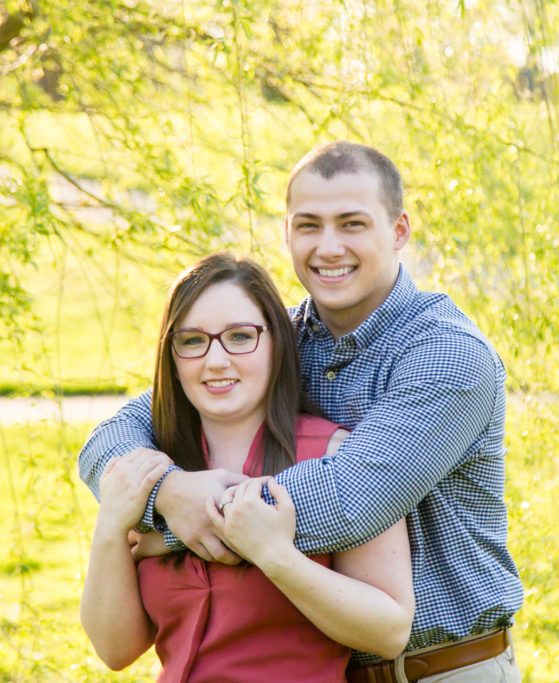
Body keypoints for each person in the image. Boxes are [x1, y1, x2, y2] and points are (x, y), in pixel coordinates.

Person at [79, 141, 523, 682]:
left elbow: (351, 499)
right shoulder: (272, 339)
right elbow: (112, 437)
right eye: (309, 225)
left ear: (400, 231)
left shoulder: (448, 357)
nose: (328, 247)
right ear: (287, 233)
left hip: (441, 668)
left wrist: (168, 534)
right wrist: (168, 492)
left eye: (352, 224)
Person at [79, 253, 415, 681]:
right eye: (192, 340)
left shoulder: (338, 457)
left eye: (240, 337)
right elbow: (116, 649)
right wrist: (110, 526)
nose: (216, 360)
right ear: (172, 355)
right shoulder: (155, 469)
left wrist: (273, 554)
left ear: (276, 341)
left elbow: (389, 631)